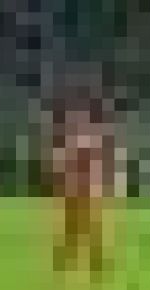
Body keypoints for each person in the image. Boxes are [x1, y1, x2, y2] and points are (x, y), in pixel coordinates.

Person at [50, 101, 115, 280]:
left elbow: (97, 167)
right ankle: (66, 264)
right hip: (76, 193)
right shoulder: (76, 141)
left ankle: (93, 266)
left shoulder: (91, 140)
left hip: (88, 193)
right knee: (74, 230)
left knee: (91, 231)